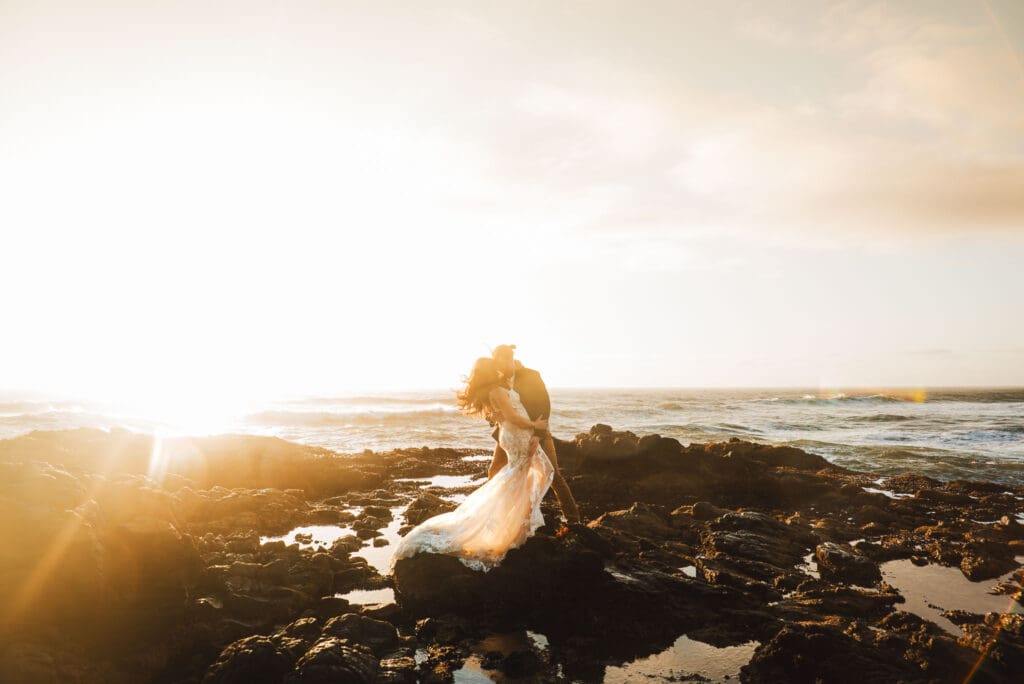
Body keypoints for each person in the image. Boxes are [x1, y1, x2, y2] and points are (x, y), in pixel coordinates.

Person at [389, 356, 554, 573]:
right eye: (495, 367)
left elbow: (503, 413)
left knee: (526, 474)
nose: (499, 368)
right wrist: (535, 425)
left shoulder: (497, 388)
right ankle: (516, 526)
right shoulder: (496, 390)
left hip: (517, 434)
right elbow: (513, 416)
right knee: (525, 475)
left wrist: (516, 366)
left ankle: (520, 523)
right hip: (518, 434)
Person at [488, 344, 581, 524]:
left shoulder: (531, 375)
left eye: (503, 361)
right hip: (509, 434)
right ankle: (496, 518)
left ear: (510, 359)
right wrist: (492, 416)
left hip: (537, 432)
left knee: (553, 474)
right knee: (495, 471)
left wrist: (538, 434)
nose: (500, 366)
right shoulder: (498, 380)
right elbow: (495, 406)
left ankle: (573, 521)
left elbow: (544, 405)